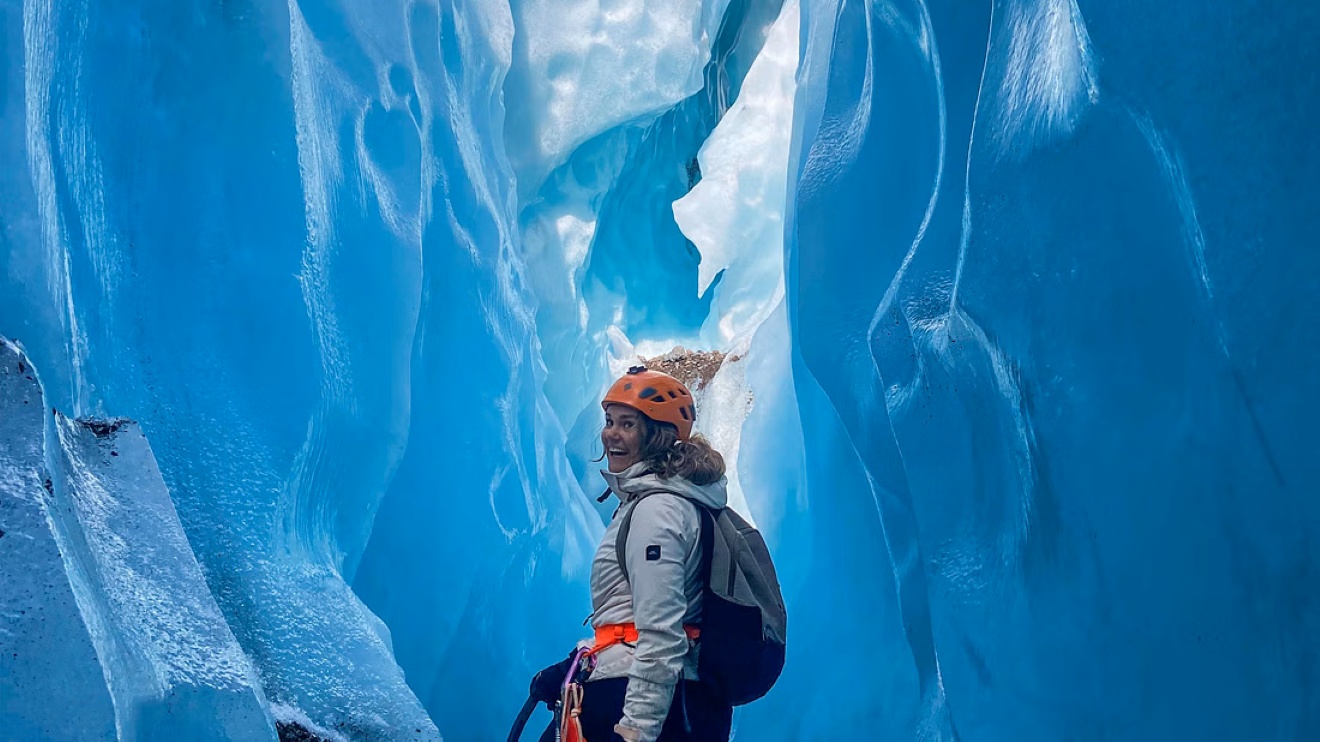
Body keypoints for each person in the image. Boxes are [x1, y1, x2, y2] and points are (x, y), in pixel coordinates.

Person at [534, 365, 733, 742]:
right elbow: (630, 620)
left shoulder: (658, 510)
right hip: (660, 694)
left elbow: (659, 633)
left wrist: (635, 732)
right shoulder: (663, 502)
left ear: (658, 436)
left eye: (627, 424)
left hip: (644, 700)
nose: (611, 433)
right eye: (609, 421)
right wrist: (574, 665)